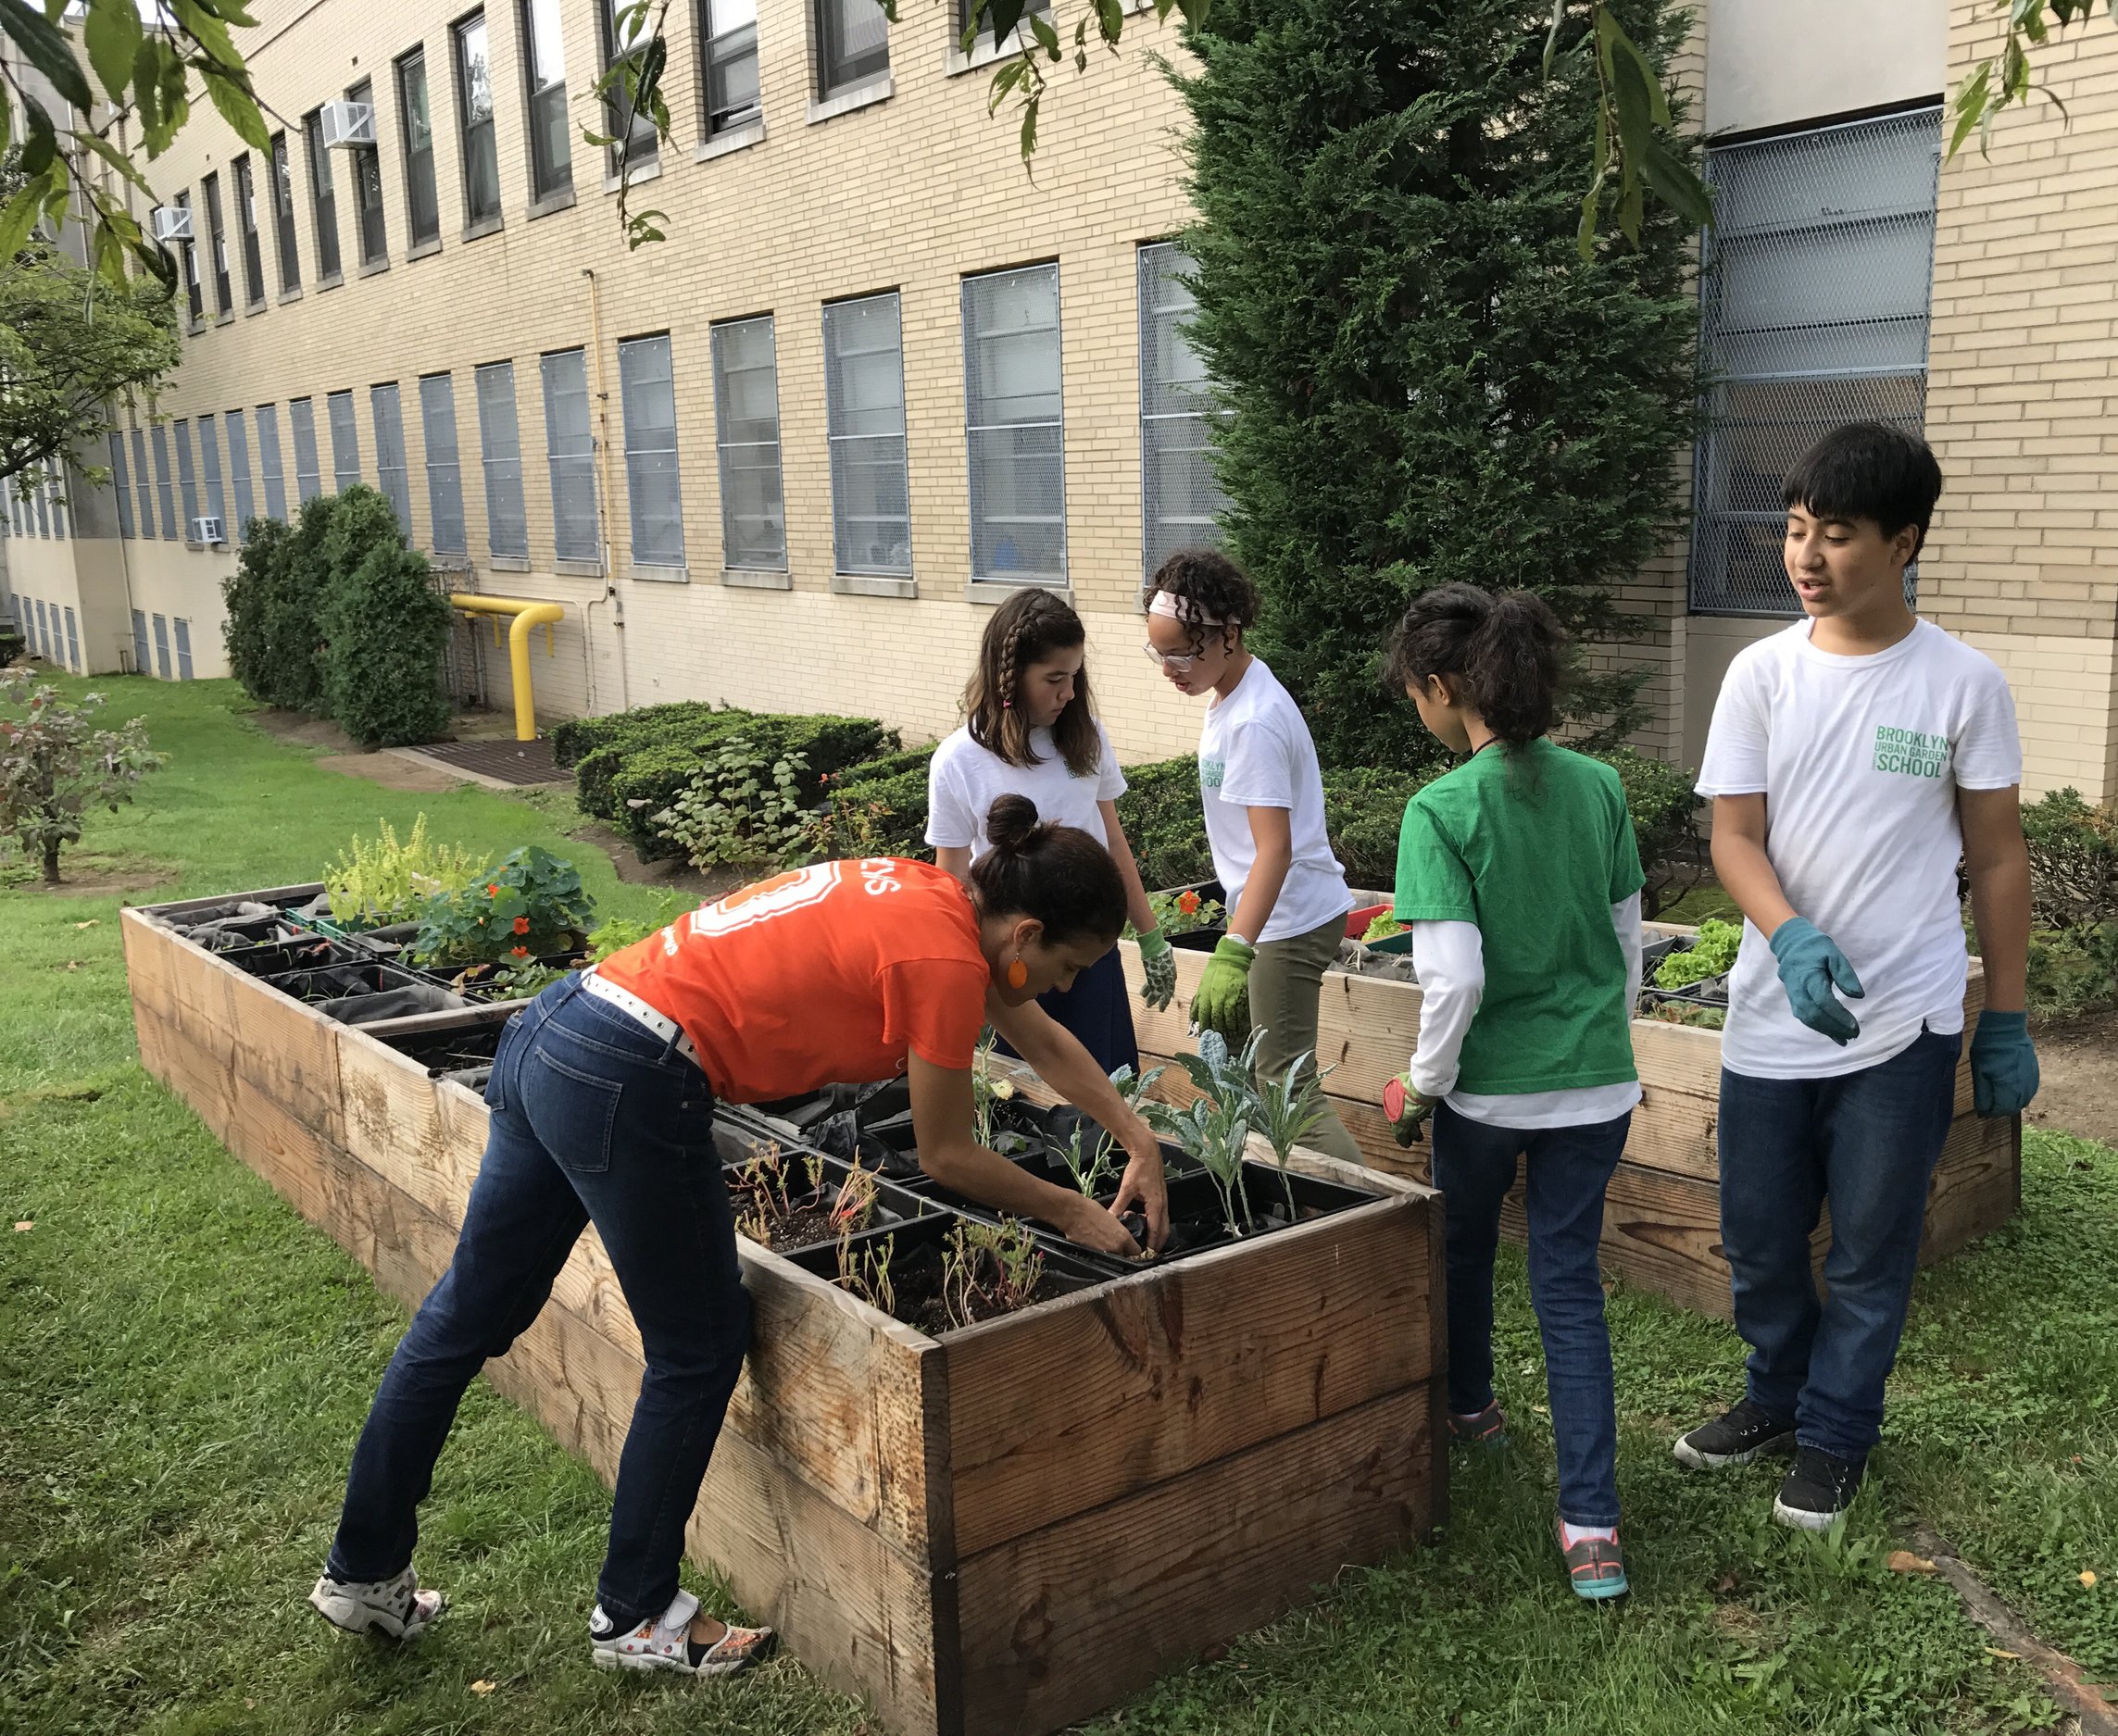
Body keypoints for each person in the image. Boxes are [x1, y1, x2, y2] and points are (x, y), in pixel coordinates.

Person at [307, 799, 1171, 1670]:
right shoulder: (944, 958)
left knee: (464, 1317)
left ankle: (361, 1570)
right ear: (1024, 933)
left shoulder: (932, 898)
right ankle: (636, 1614)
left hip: (559, 1027)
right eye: (1068, 964)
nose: (1063, 985)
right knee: (700, 1342)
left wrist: (1137, 1137)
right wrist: (1069, 1209)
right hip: (635, 1071)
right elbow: (947, 1153)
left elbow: (1043, 1040)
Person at [1673, 421, 2037, 1531]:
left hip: (1910, 1021)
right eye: (1793, 530)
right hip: (1771, 1016)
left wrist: (2007, 1017)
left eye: (1835, 534)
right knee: (1762, 1238)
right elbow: (1732, 836)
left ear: (1904, 541)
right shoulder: (1761, 675)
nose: (1805, 556)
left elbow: (2000, 853)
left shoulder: (1962, 684)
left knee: (1874, 1247)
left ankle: (1836, 1434)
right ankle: (1774, 1396)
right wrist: (1787, 934)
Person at [1377, 584, 1645, 1603]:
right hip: (1596, 1087)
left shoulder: (1439, 810)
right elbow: (1626, 945)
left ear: (1445, 688)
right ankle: (1591, 1530)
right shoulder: (1600, 786)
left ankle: (1471, 1409)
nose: (1416, 705)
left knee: (1465, 1250)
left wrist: (1421, 1084)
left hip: (1485, 1096)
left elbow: (1453, 981)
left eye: (1414, 691)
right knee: (1568, 1289)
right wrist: (1598, 1043)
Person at [1140, 549, 1363, 1168]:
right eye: (1159, 652)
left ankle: (1379, 1218)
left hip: (1286, 920)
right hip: (1267, 915)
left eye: (1181, 652)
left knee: (1288, 1091)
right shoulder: (1230, 696)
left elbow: (1276, 849)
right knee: (1245, 1079)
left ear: (1229, 634)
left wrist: (1237, 948)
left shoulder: (1255, 721)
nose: (1169, 669)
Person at [928, 588, 1173, 1078]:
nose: (1068, 693)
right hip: (1016, 967)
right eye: (1054, 679)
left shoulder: (1087, 739)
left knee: (1106, 1094)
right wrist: (957, 981)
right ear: (1009, 678)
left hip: (1088, 954)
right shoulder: (959, 760)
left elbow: (1113, 843)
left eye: (1075, 678)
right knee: (1028, 1104)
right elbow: (951, 885)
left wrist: (1152, 936)